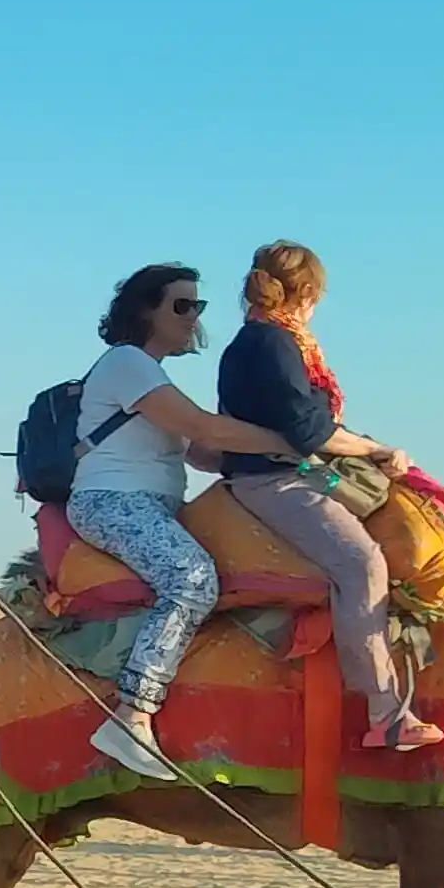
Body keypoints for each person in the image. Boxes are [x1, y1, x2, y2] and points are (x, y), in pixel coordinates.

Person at [64, 263, 299, 781]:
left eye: (198, 306)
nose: (193, 317)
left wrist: (281, 462)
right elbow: (200, 426)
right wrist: (295, 442)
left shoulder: (151, 374)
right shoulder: (128, 363)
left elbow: (201, 452)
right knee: (191, 579)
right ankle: (132, 715)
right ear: (146, 310)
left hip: (154, 505)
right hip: (113, 502)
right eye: (181, 305)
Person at [215, 239, 444, 755]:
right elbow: (310, 431)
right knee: (361, 564)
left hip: (287, 473)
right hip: (272, 480)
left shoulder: (268, 342)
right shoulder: (271, 345)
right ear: (306, 295)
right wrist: (376, 447)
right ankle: (385, 712)